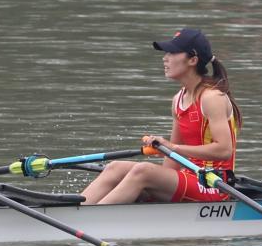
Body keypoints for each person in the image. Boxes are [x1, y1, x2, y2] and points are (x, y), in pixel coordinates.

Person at [81, 28, 241, 205]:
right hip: (189, 178)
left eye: (172, 53)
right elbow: (171, 162)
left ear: (193, 60)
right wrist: (155, 186)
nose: (165, 58)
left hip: (214, 184)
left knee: (143, 171)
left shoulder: (212, 98)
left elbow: (224, 151)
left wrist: (172, 147)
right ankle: (75, 211)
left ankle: (90, 222)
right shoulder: (178, 99)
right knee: (115, 167)